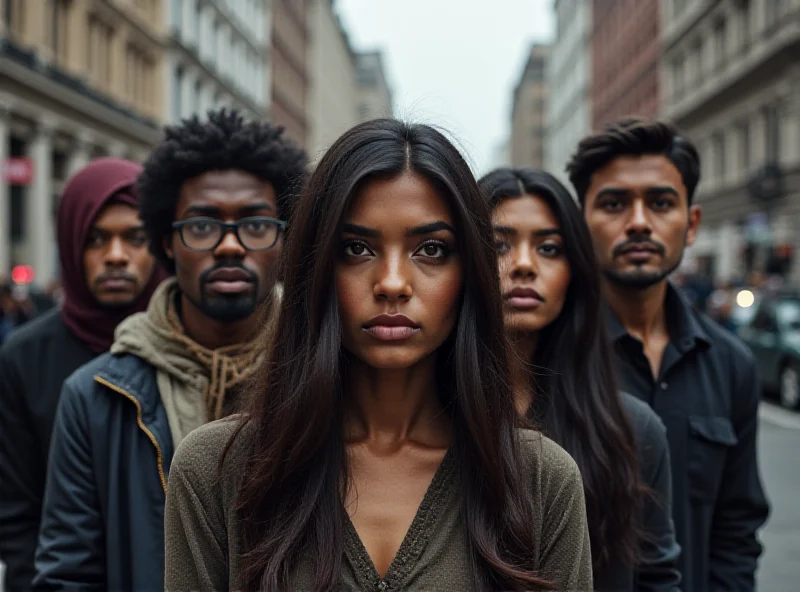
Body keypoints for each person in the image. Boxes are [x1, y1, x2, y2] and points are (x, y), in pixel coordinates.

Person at [164, 119, 594, 592]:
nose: (392, 282)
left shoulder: (541, 480)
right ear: (316, 267)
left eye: (430, 249)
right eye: (357, 248)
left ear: (469, 274)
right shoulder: (216, 470)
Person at [32, 109, 308, 591]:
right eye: (202, 226)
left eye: (255, 224)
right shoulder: (93, 396)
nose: (228, 246)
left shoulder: (325, 376)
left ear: (285, 240)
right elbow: (68, 575)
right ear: (167, 241)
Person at [567, 117, 770, 592]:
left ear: (691, 223)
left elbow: (736, 531)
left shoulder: (732, 366)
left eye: (660, 203)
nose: (638, 222)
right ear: (580, 222)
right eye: (614, 203)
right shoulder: (548, 361)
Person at [479, 167, 681, 592]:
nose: (523, 265)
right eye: (499, 245)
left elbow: (656, 580)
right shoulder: (423, 419)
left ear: (575, 272)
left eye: (549, 248)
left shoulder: (633, 431)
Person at [0, 158, 164, 591]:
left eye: (134, 238)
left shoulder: (184, 348)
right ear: (71, 245)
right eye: (95, 240)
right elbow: (17, 519)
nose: (115, 256)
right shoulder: (24, 357)